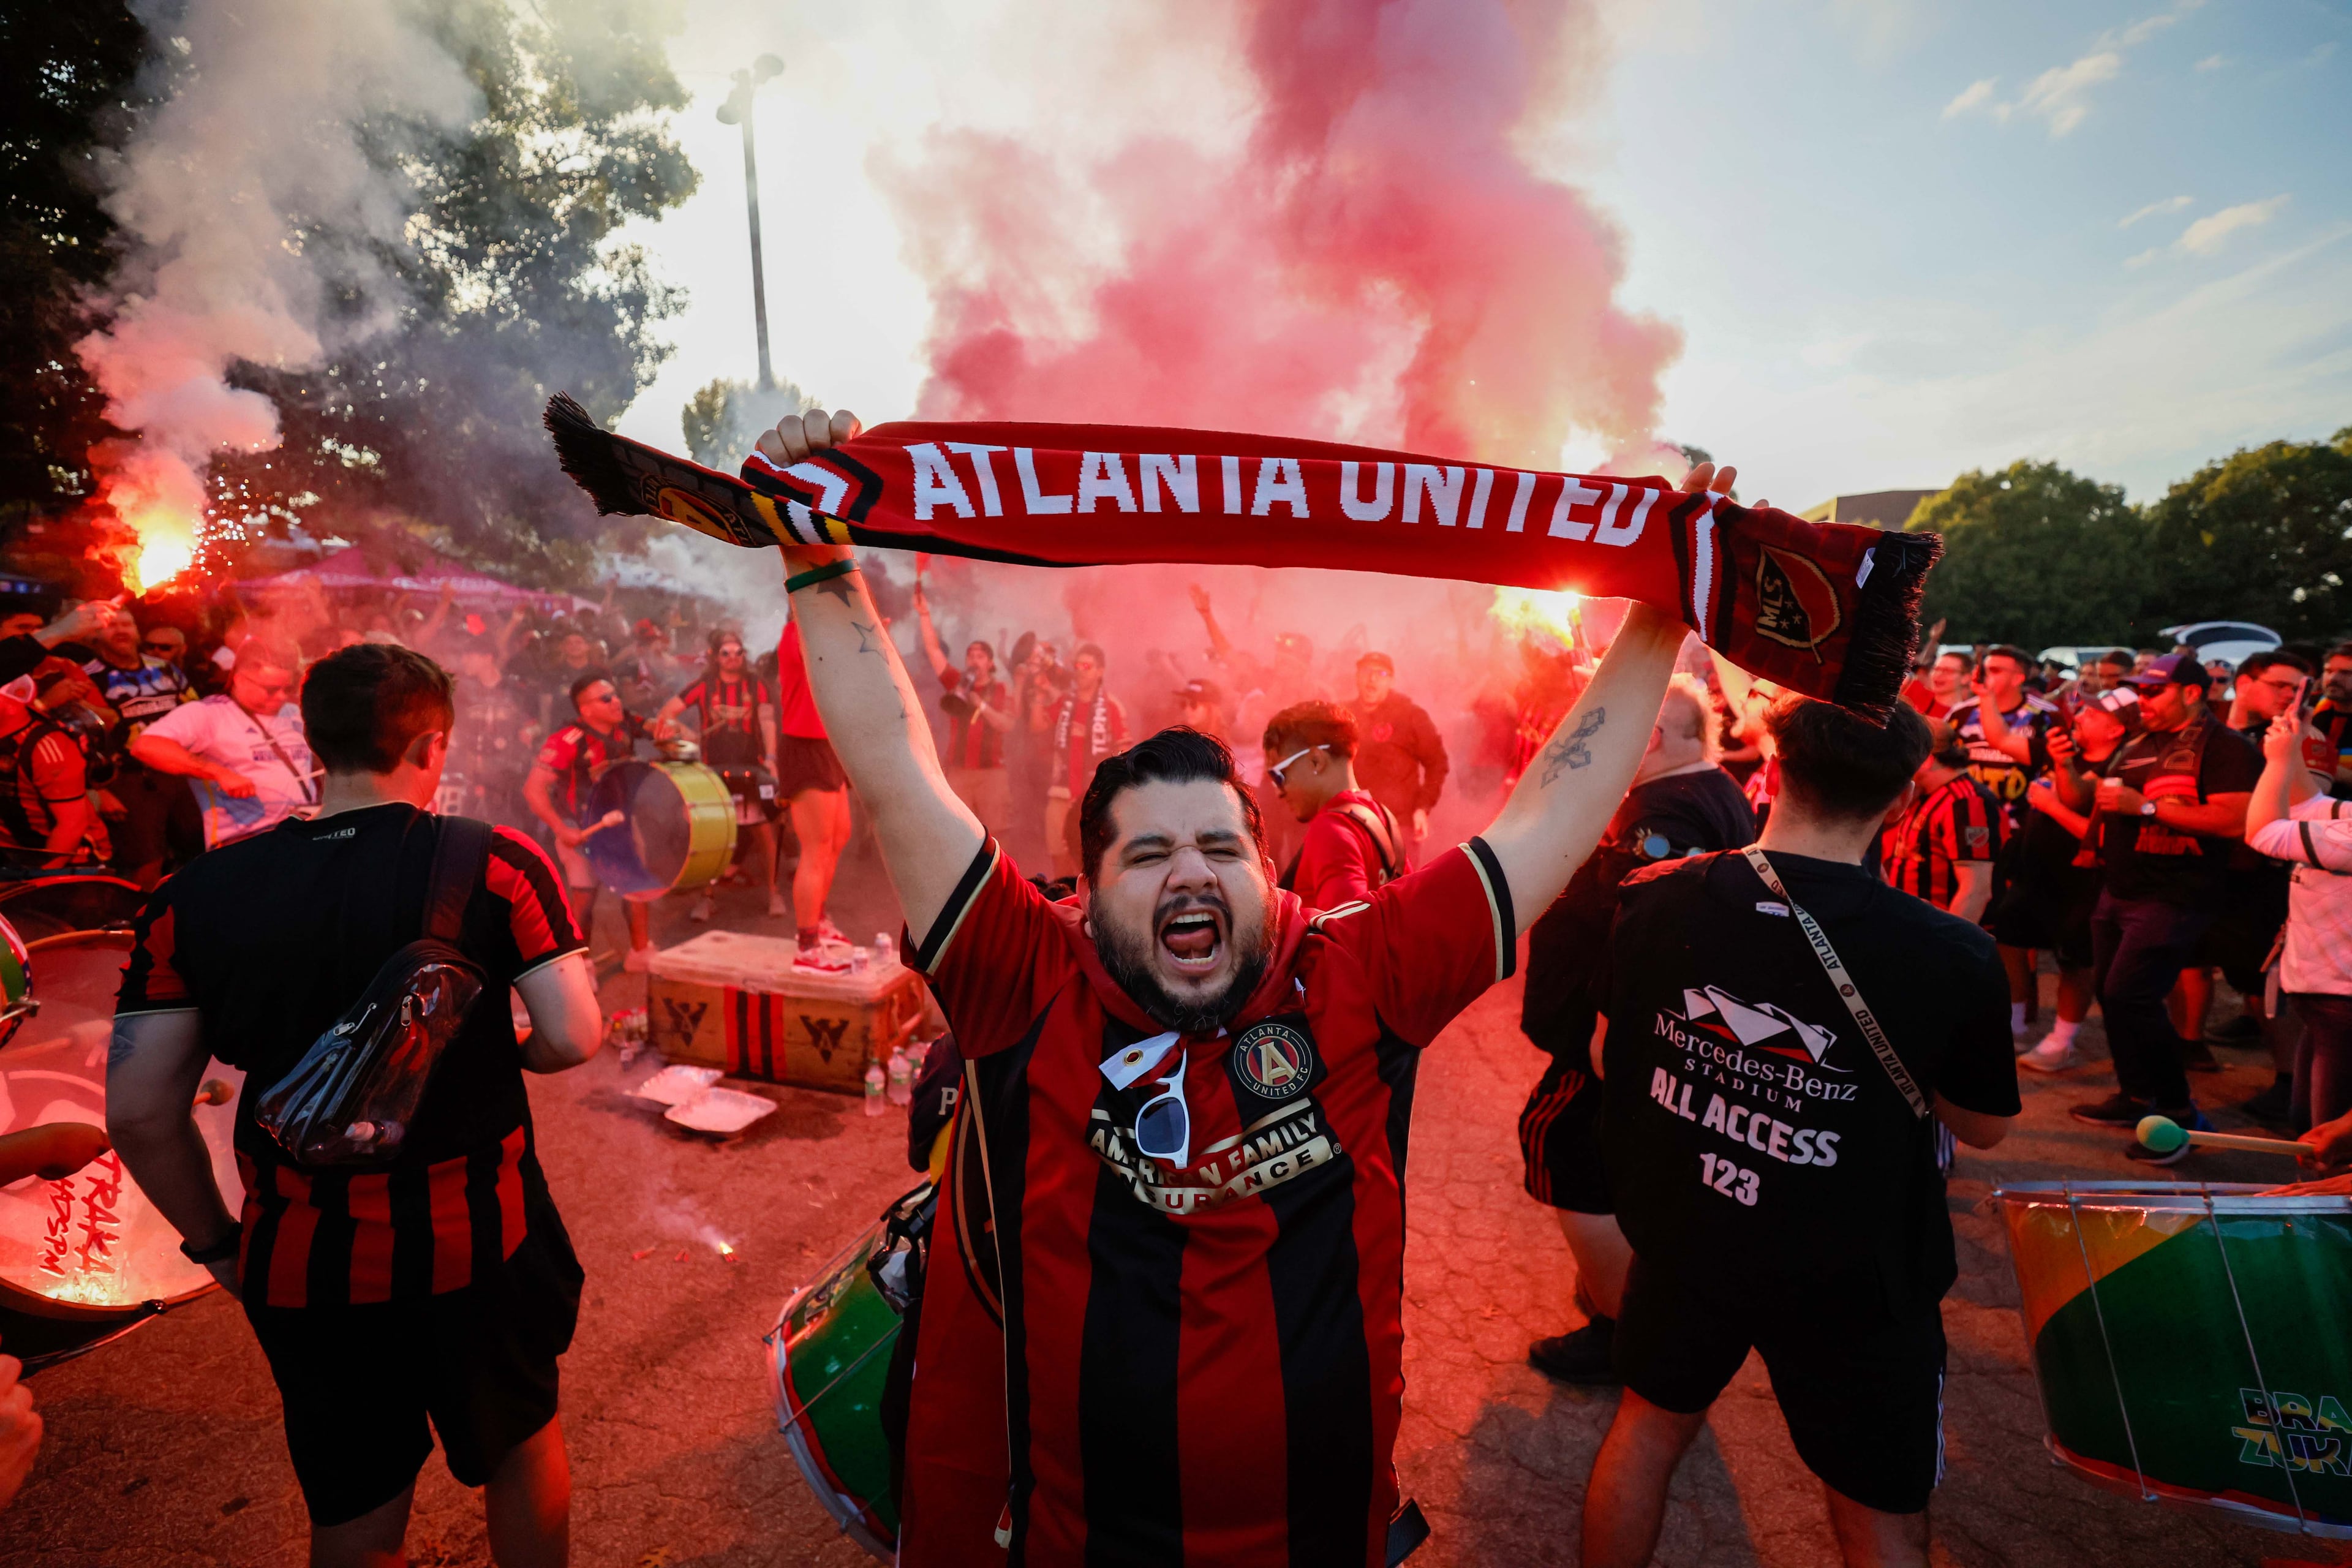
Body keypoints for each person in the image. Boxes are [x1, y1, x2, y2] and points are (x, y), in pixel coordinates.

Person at [751, 405, 1716, 1568]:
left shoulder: (1356, 967)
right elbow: (899, 769)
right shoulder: (1028, 975)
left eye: (1219, 846)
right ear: (1087, 894)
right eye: (1146, 855)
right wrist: (819, 563)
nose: (1188, 873)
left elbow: (1554, 810)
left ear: (1271, 869)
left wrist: (1665, 603)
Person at [106, 643, 603, 1568]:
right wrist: (515, 1051)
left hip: (301, 1262)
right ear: (433, 743)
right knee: (520, 1445)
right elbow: (575, 1037)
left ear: (313, 739)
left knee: (353, 1503)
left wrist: (219, 1243)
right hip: (479, 1243)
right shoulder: (495, 863)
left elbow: (138, 1112)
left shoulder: (193, 895)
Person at [1579, 693, 2018, 1568]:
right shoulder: (1949, 954)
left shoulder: (1656, 897)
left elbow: (1603, 1056)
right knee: (1877, 1508)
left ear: (1775, 773)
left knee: (1649, 1429)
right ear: (1899, 802)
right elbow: (1985, 1126)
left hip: (1690, 1225)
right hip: (1855, 1268)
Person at [1516, 673, 1755, 1385]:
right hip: (1658, 1030)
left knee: (1561, 1145)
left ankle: (1625, 1330)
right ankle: (1623, 1304)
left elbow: (1643, 929)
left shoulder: (1665, 814)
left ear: (1649, 736)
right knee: (1619, 1163)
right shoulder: (1709, 789)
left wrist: (1605, 1029)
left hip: (1617, 1035)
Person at [2049, 653, 2261, 1158]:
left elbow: (2234, 821)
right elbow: (2085, 799)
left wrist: (2144, 806)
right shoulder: (2140, 743)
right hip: (2119, 890)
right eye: (2140, 691)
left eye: (2153, 691)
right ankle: (2136, 1094)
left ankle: (2180, 1114)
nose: (2142, 700)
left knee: (2132, 994)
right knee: (2112, 992)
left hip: (2175, 894)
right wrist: (2063, 764)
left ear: (2192, 693)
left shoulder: (2227, 747)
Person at [2008, 688, 2138, 1074]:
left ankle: (2062, 1041)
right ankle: (2013, 1023)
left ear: (2116, 731)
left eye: (2093, 714)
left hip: (2085, 881)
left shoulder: (2123, 767)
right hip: (2039, 875)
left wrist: (2049, 805)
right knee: (2008, 935)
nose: (2080, 716)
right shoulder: (2072, 755)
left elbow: (2097, 836)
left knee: (2074, 961)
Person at [2246, 710, 2352, 1135]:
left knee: (2325, 1138)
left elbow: (2264, 834)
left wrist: (2275, 763)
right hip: (2327, 999)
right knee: (2308, 1123)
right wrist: (2290, 755)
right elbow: (2311, 806)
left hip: (2341, 1002)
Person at [1948, 644, 2061, 1038]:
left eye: (1997, 669)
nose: (1986, 675)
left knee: (2014, 933)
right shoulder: (1961, 714)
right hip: (1968, 836)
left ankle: (2018, 1016)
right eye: (1984, 668)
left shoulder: (2045, 716)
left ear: (2019, 676)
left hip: (2024, 839)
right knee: (1974, 922)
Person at [524, 673, 657, 971]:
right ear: (586, 710)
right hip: (579, 825)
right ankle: (580, 967)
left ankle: (640, 952)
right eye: (606, 699)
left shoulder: (625, 724)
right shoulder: (567, 739)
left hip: (619, 822)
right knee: (584, 896)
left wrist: (674, 728)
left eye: (616, 695)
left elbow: (655, 726)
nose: (616, 702)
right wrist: (561, 828)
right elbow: (532, 789)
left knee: (637, 887)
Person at [129, 641, 317, 849]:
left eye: (288, 687)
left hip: (300, 832)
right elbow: (146, 746)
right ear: (240, 680)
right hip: (243, 842)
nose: (282, 696)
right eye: (271, 689)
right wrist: (219, 772)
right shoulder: (208, 714)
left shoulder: (294, 712)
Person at [657, 629, 785, 921]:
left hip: (751, 767)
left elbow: (766, 722)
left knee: (764, 831)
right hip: (713, 769)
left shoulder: (756, 685)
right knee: (712, 836)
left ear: (744, 655)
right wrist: (689, 735)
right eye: (726, 653)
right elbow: (667, 713)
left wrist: (772, 759)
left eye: (738, 653)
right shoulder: (703, 686)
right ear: (716, 656)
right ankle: (707, 897)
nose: (732, 659)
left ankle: (774, 893)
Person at [81, 604, 194, 884]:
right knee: (146, 861)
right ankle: (142, 924)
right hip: (130, 779)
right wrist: (97, 792)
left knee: (198, 848)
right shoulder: (86, 676)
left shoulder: (164, 669)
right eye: (111, 625)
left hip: (181, 773)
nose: (121, 630)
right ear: (96, 635)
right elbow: (78, 739)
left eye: (127, 624)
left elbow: (197, 712)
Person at [1260, 700, 1404, 909]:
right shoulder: (1385, 819)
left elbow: (1346, 934)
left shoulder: (1331, 832)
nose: (1278, 791)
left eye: (1279, 775)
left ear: (1316, 761)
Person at [774, 607, 855, 968]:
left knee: (838, 838)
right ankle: (807, 946)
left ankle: (818, 921)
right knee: (816, 846)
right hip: (805, 745)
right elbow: (825, 655)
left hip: (830, 744)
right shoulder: (797, 632)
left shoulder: (825, 632)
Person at [913, 586, 1013, 845]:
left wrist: (981, 705)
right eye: (971, 655)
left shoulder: (1002, 688)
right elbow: (935, 652)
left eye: (980, 656)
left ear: (990, 663)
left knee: (996, 837)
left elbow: (1007, 725)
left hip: (991, 773)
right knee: (957, 833)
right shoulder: (959, 683)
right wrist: (925, 615)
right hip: (959, 770)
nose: (974, 660)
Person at [1880, 720, 2003, 925]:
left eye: (1904, 752)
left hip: (1935, 932)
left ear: (1927, 759)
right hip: (1911, 925)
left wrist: (1949, 947)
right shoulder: (1922, 792)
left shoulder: (1965, 802)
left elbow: (1976, 890)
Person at [1045, 641, 1129, 882]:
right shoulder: (1063, 703)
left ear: (1100, 671)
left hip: (1094, 795)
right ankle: (1062, 896)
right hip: (1060, 790)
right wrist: (1040, 692)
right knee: (1059, 853)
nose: (1080, 671)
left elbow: (1126, 749)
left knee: (1094, 855)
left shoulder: (1112, 706)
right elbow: (1036, 726)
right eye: (1077, 666)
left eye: (1087, 666)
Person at [1348, 652, 1449, 848]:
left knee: (1399, 880)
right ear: (1357, 676)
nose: (1373, 679)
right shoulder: (1343, 715)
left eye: (1382, 674)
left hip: (1398, 826)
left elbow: (1437, 762)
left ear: (1392, 681)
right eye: (1367, 671)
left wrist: (1422, 807)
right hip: (1352, 825)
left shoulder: (1410, 716)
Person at [0, 677, 102, 868]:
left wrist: (36, 881)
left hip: (60, 860)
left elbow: (71, 827)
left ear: (14, 704)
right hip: (10, 857)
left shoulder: (47, 748)